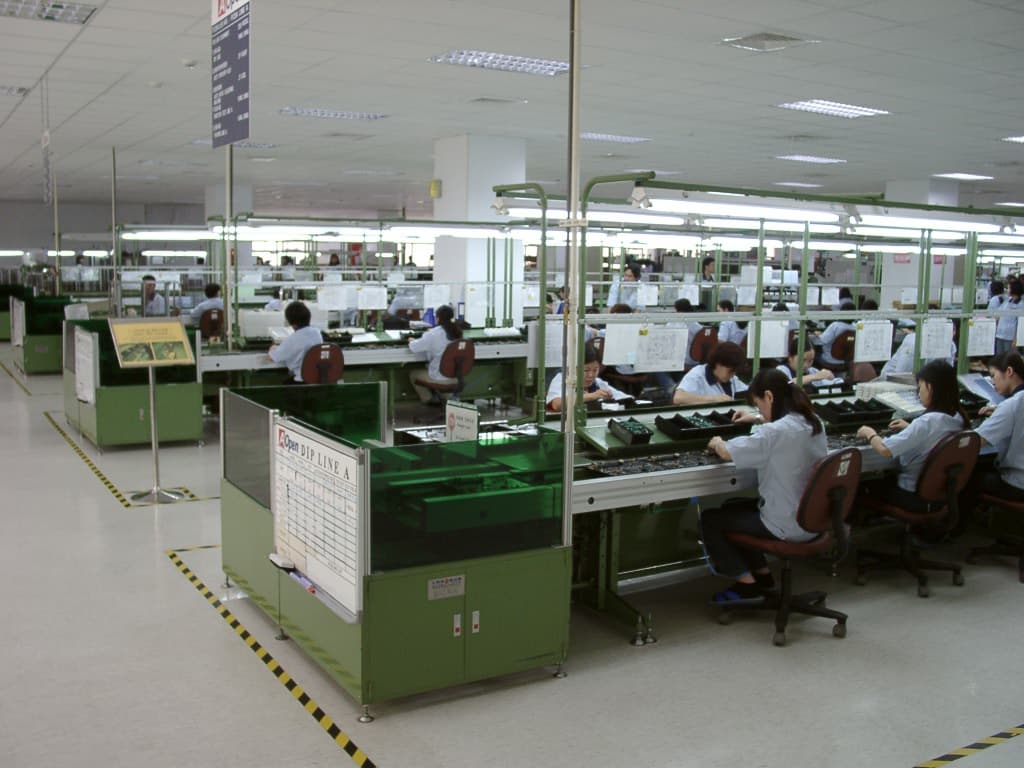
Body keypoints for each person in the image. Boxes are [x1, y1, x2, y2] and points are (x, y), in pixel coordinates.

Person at [701, 369, 828, 602]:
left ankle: (746, 585)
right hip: (812, 518)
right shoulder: (814, 421)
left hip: (785, 523)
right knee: (733, 505)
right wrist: (758, 418)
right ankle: (763, 576)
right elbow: (783, 430)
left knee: (710, 519)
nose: (759, 411)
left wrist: (717, 442)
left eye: (759, 405)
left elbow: (728, 452)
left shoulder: (775, 432)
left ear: (769, 396)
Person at [856, 361, 969, 515]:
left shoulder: (926, 422)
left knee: (862, 486)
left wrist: (869, 433)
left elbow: (885, 449)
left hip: (912, 494)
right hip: (940, 493)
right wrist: (910, 428)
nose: (918, 393)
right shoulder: (958, 417)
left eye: (920, 387)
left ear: (930, 388)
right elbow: (934, 435)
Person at [959, 352, 1024, 523]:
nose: (992, 382)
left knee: (967, 476)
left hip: (1018, 484)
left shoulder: (1011, 406)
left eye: (993, 376)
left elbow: (974, 442)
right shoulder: (1013, 405)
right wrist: (998, 412)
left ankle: (953, 529)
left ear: (1009, 371)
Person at [546, 342, 628, 412]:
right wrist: (592, 396)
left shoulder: (598, 383)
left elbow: (626, 398)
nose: (591, 375)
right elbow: (557, 404)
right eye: (586, 370)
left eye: (595, 370)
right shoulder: (562, 379)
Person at [408, 304, 462, 404]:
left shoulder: (433, 334)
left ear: (438, 318)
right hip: (455, 378)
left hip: (439, 377)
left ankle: (429, 400)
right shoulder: (458, 332)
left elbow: (414, 347)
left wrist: (411, 340)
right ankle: (449, 398)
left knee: (413, 374)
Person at [673, 341, 748, 406]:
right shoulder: (697, 375)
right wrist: (714, 399)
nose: (733, 374)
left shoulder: (732, 379)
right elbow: (678, 398)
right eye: (730, 371)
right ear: (718, 363)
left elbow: (748, 392)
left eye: (735, 371)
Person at [268, 301, 324, 383]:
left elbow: (274, 357)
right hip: (318, 379)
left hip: (302, 381)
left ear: (292, 323)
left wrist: (273, 347)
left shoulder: (293, 339)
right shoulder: (317, 333)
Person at [880, 320, 958, 379]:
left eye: (953, 329)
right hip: (892, 380)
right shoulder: (914, 343)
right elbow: (901, 375)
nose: (951, 333)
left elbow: (947, 373)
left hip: (924, 382)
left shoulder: (951, 346)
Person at [993, 280, 1022, 355]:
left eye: (1009, 288)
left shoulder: (1021, 305)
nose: (1007, 290)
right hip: (1000, 333)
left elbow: (1020, 324)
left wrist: (1015, 339)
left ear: (1014, 289)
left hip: (1010, 336)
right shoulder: (1008, 300)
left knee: (1008, 356)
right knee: (999, 356)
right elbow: (999, 313)